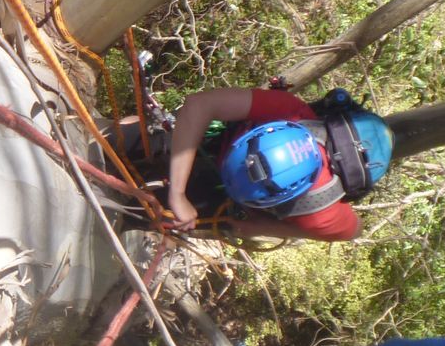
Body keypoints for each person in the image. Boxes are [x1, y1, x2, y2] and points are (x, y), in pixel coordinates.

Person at [162, 86, 392, 242]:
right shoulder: (289, 112)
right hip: (217, 144)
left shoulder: (319, 210)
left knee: (168, 226)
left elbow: (353, 231)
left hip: (231, 205)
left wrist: (268, 228)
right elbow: (200, 104)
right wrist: (178, 193)